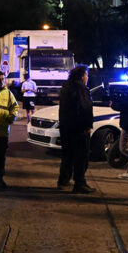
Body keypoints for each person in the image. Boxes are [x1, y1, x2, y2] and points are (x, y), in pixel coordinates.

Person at [57, 65, 95, 194]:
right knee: (81, 157)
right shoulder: (81, 89)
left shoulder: (66, 87)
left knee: (67, 155)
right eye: (87, 75)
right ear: (82, 76)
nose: (87, 77)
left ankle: (63, 180)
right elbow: (85, 109)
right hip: (79, 128)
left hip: (66, 127)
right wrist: (87, 126)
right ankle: (80, 183)